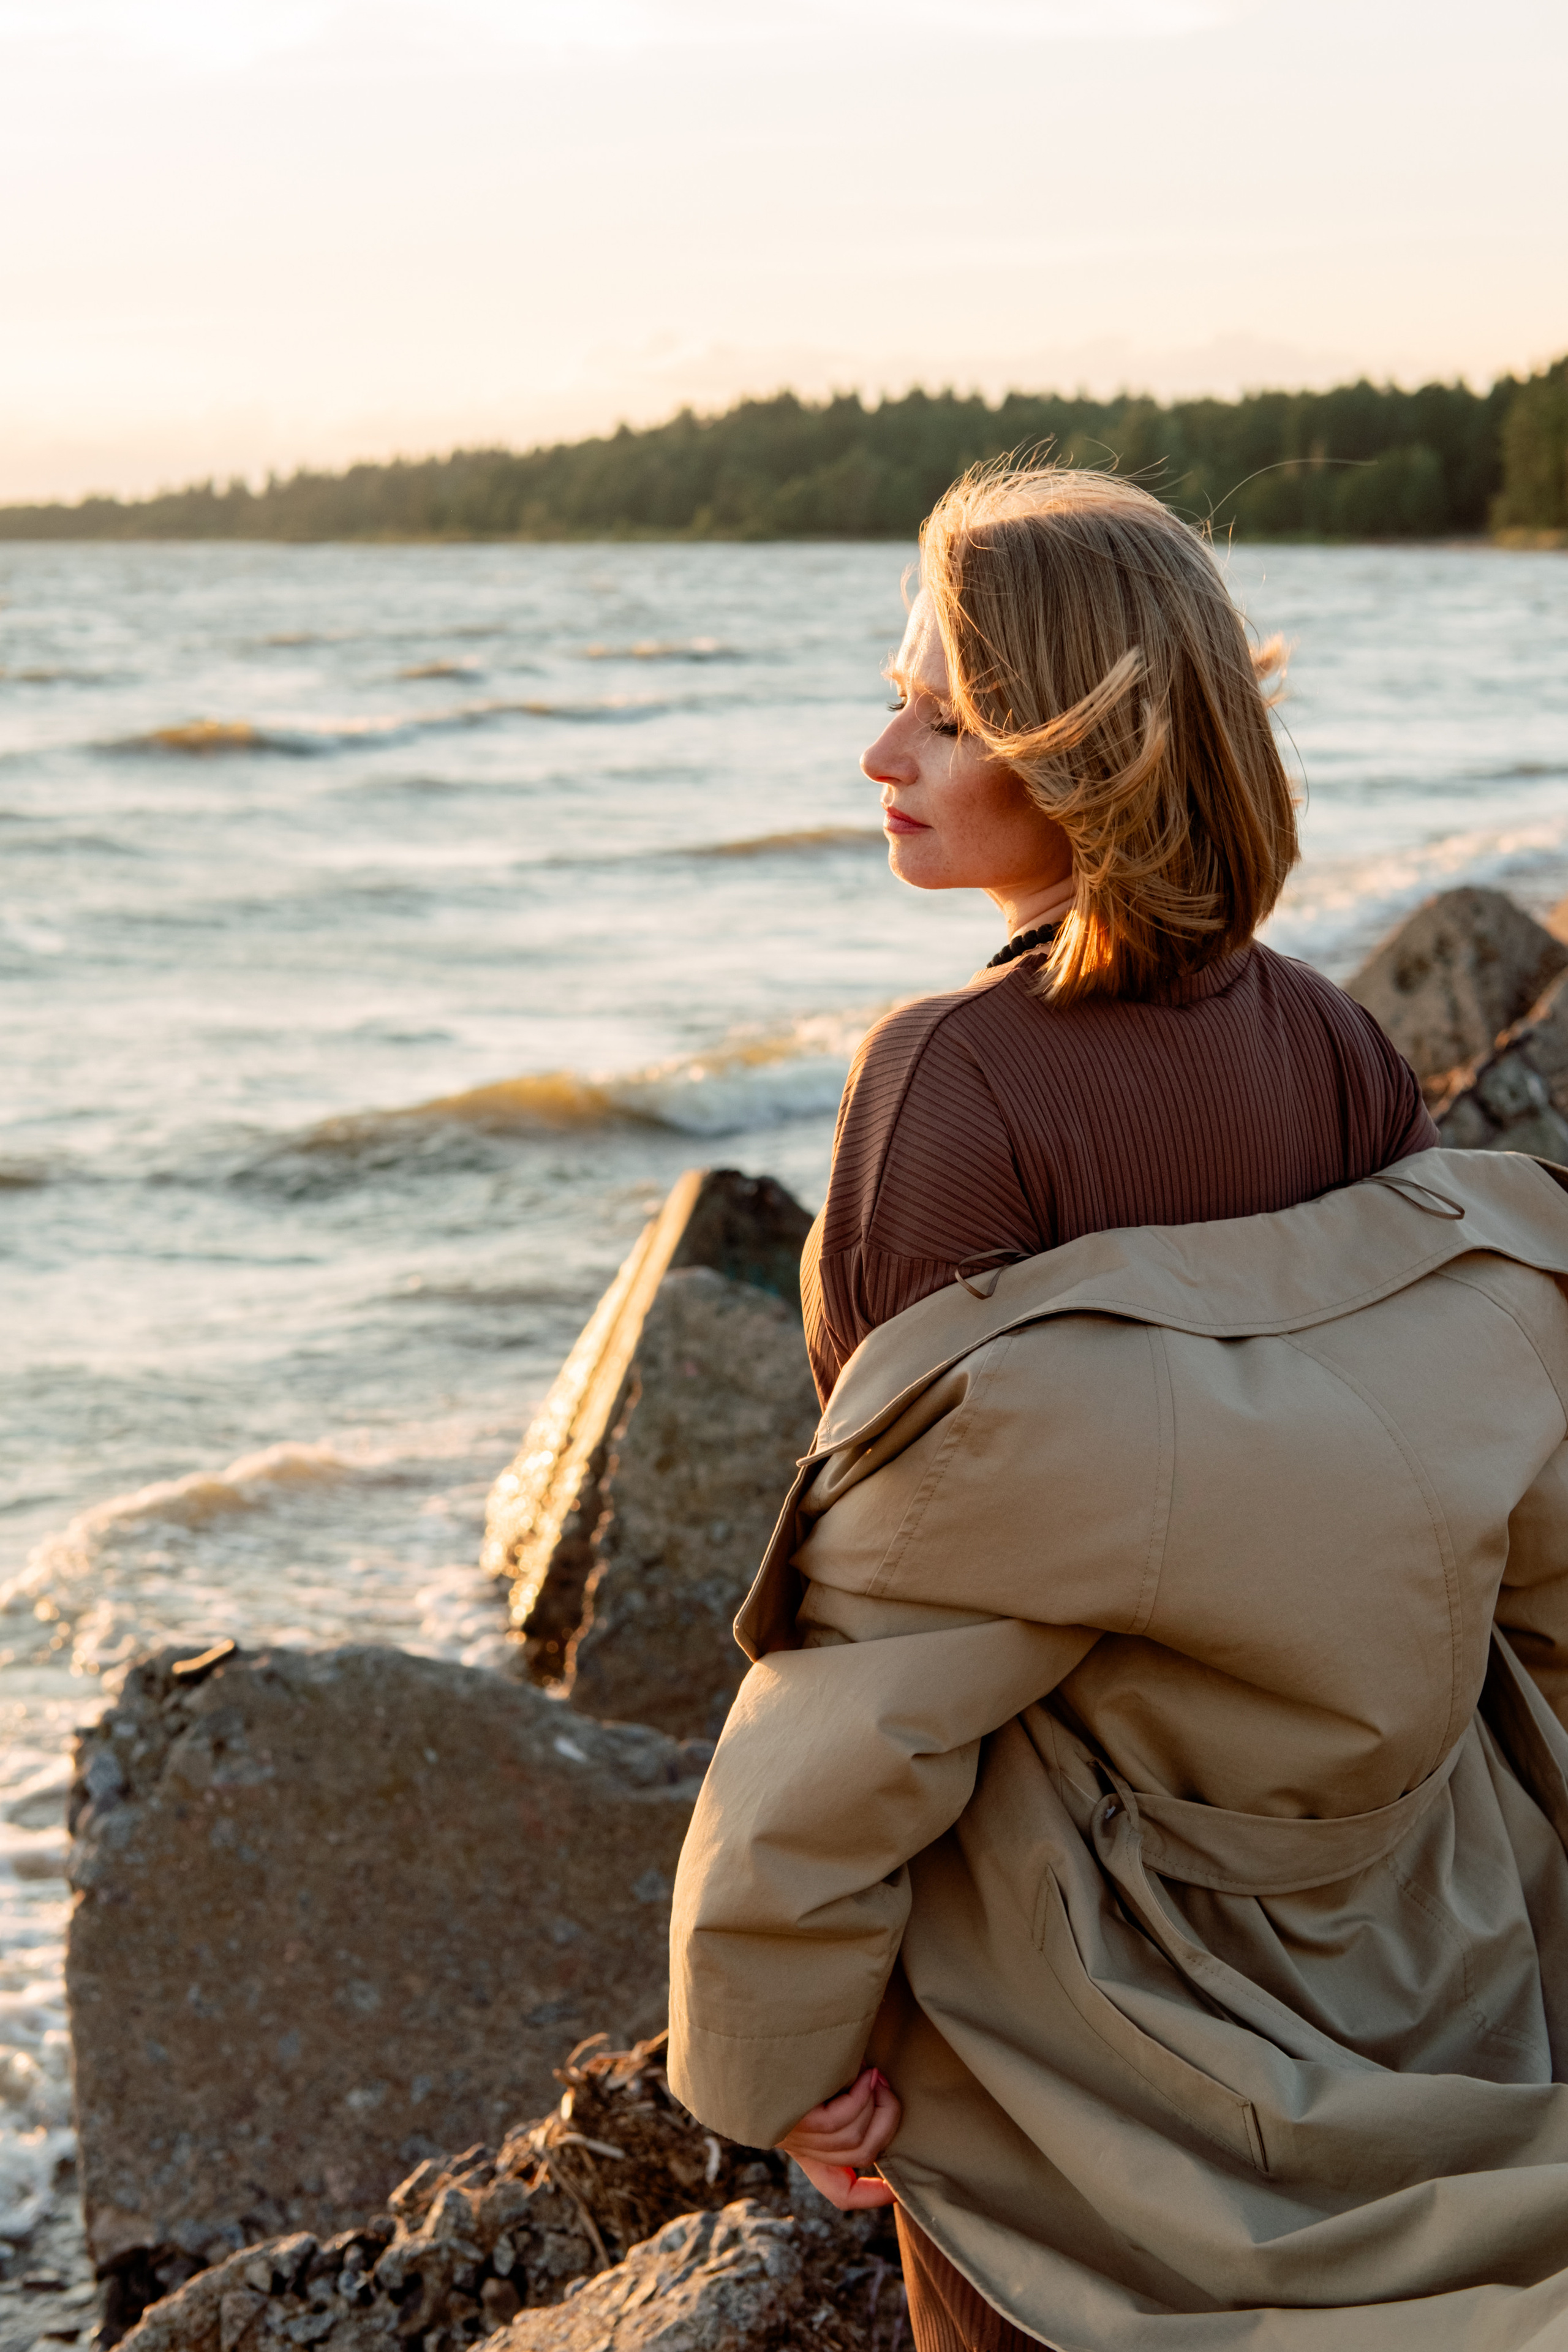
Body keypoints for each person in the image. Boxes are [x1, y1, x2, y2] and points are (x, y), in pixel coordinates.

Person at [666, 464, 1568, 2350]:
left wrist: (781, 2042)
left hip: (1078, 1962)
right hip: (1387, 1884)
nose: (879, 751)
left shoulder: (948, 1086)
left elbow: (890, 1636)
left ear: (1086, 753)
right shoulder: (1329, 1036)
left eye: (945, 711)